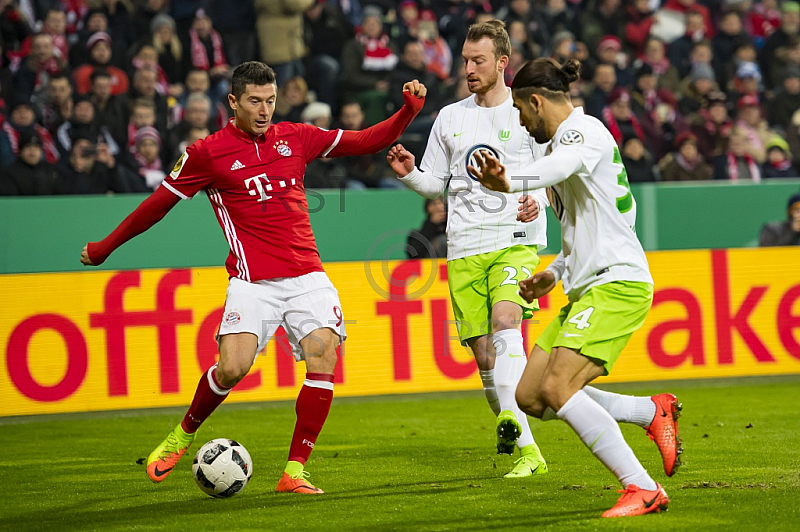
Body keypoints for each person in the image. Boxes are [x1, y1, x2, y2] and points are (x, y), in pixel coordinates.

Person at [80, 61, 426, 495]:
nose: (264, 110)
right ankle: (182, 434)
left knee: (324, 360)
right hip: (252, 282)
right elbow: (158, 205)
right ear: (233, 102)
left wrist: (408, 112)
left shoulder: (296, 137)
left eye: (270, 100)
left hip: (307, 278)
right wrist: (105, 247)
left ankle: (294, 471)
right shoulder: (206, 153)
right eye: (255, 101)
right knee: (232, 368)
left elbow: (365, 141)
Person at [469, 57, 681, 518]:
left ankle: (641, 488)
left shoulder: (581, 135)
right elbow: (610, 218)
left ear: (537, 101)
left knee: (559, 387)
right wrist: (557, 270)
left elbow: (559, 167)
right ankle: (650, 412)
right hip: (588, 285)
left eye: (524, 114)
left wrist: (509, 182)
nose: (524, 125)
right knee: (530, 395)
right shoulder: (564, 149)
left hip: (617, 284)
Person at [387, 20, 551, 478]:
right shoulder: (450, 117)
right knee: (484, 356)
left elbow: (555, 174)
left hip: (513, 242)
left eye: (478, 60)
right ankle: (511, 425)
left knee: (506, 321)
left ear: (503, 63)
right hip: (463, 248)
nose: (469, 68)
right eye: (465, 60)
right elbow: (435, 186)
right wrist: (408, 173)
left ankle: (529, 451)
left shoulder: (528, 113)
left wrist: (535, 200)